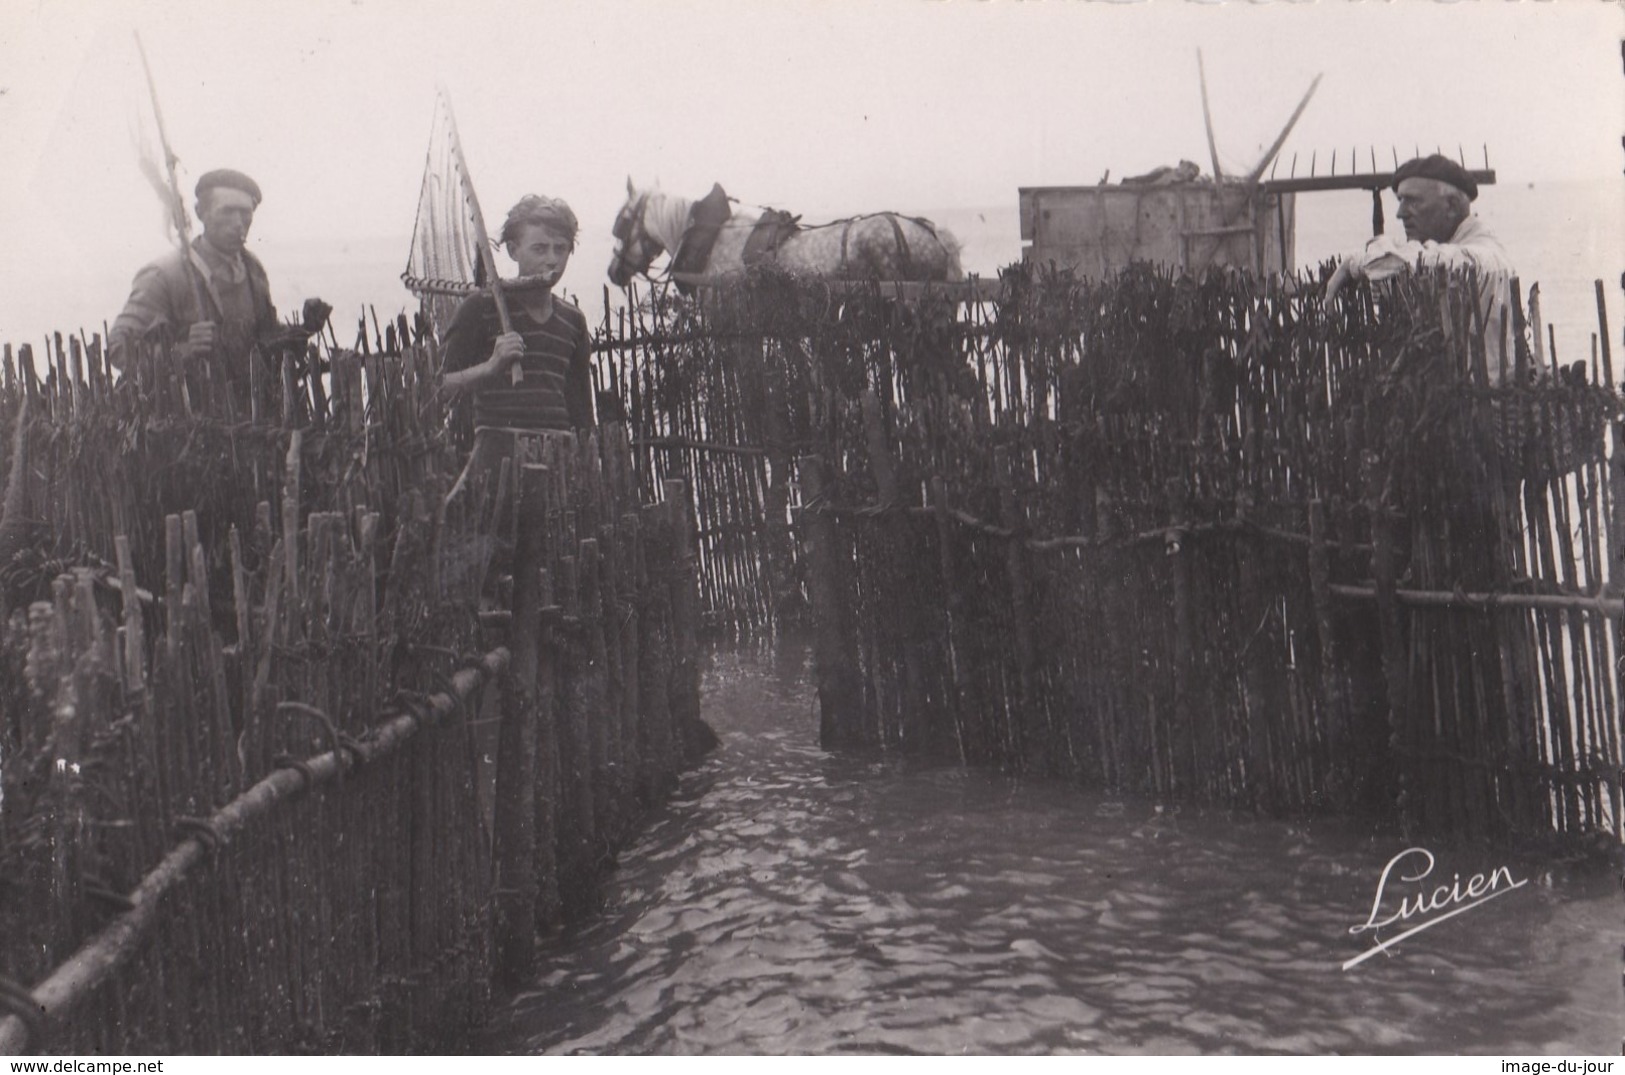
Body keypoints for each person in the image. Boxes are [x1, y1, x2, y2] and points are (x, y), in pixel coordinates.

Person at [109, 169, 322, 386]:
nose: (239, 222)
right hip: (192, 415)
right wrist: (182, 350)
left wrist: (304, 329)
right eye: (227, 211)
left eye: (245, 212)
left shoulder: (253, 269)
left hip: (254, 410)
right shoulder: (164, 275)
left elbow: (264, 336)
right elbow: (118, 350)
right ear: (201, 212)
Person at [1324, 154, 1517, 380]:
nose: (1400, 213)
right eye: (1400, 201)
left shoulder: (1484, 255)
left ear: (1452, 206)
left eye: (1413, 201)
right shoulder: (1457, 245)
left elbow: (1423, 261)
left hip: (1482, 404)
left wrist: (1354, 262)